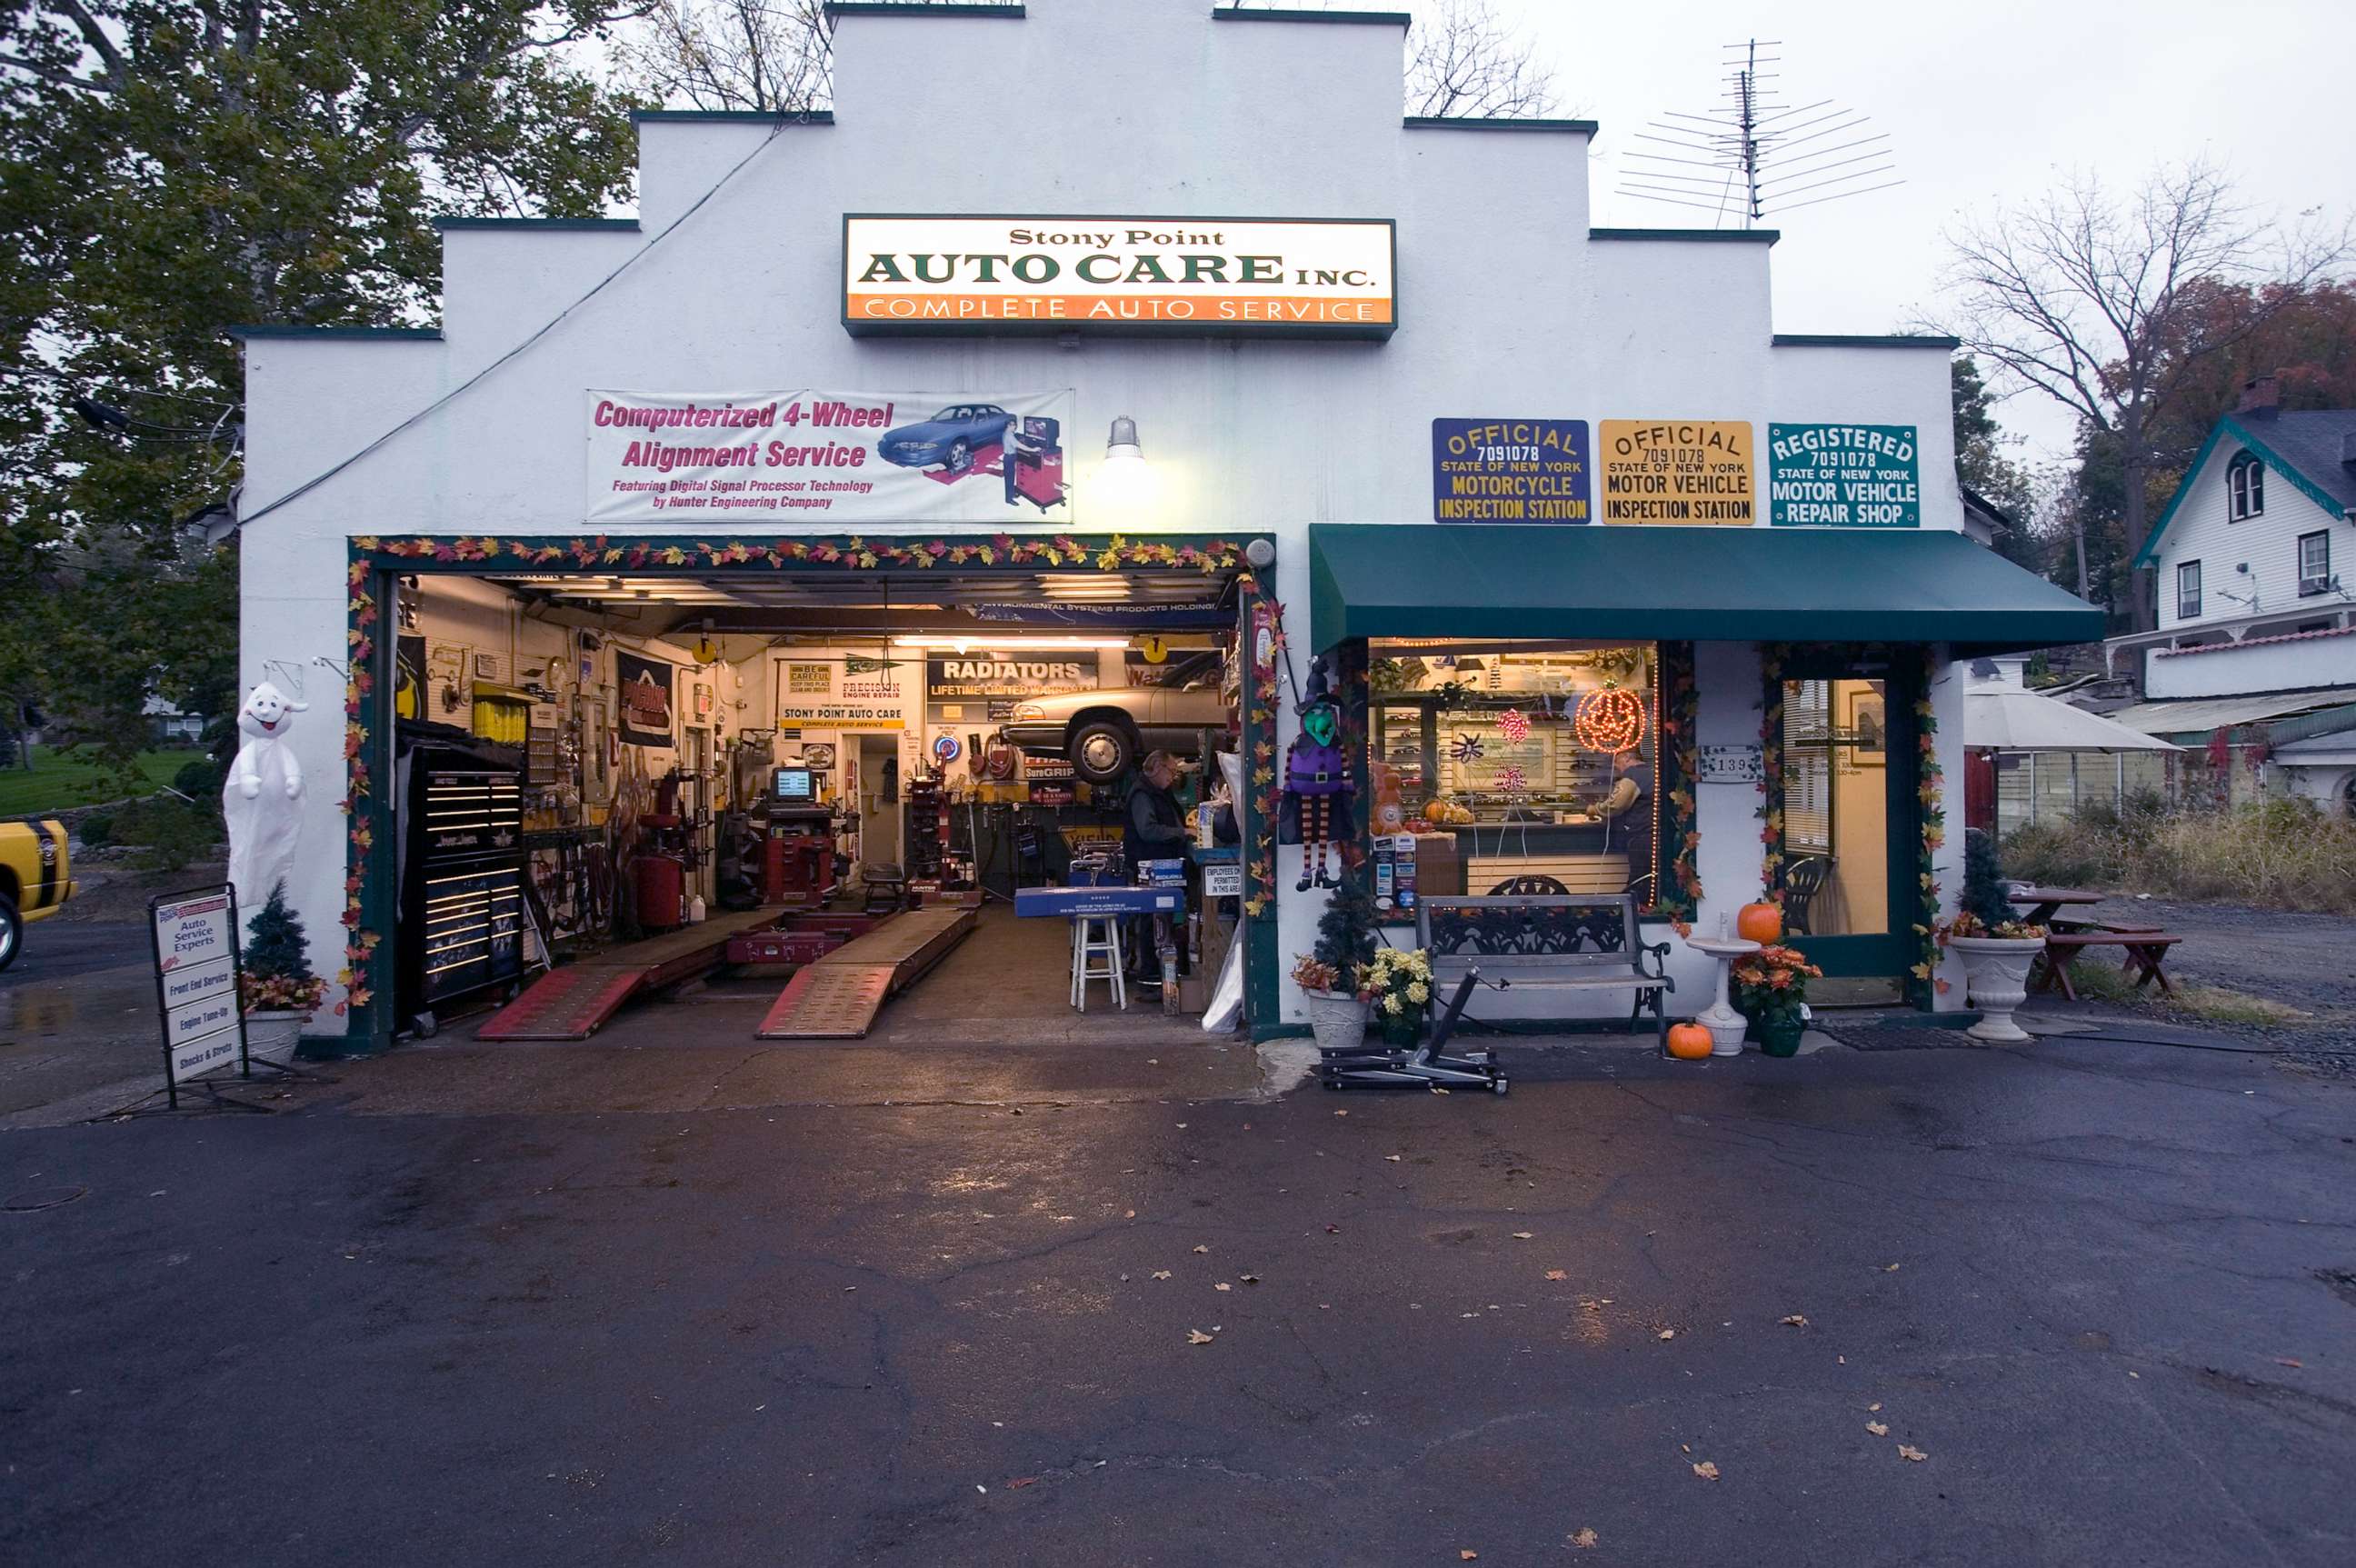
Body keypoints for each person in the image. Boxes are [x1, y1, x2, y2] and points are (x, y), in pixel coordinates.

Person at [1123, 750, 1192, 983]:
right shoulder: (1143, 794)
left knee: (1161, 918)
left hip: (1163, 866)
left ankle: (1160, 970)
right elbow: (1148, 830)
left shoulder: (1159, 792)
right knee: (1153, 919)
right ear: (1158, 768)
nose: (1173, 777)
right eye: (1171, 771)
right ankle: (1150, 973)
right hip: (1150, 865)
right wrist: (1181, 832)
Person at [1598, 753, 1654, 904]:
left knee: (1639, 878)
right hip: (1654, 833)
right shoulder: (1653, 772)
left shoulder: (1632, 776)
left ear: (1628, 758)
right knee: (1650, 877)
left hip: (1640, 834)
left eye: (1617, 763)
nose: (1617, 768)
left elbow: (1616, 805)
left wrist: (1594, 809)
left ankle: (1630, 912)